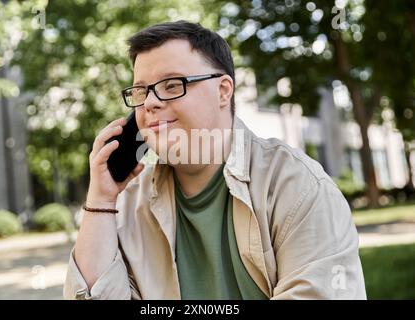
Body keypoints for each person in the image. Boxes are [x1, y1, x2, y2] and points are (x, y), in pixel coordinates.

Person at [63, 20, 366, 300]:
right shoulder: (127, 203)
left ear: (223, 91)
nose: (151, 102)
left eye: (171, 85)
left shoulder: (296, 186)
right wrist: (101, 198)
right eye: (141, 91)